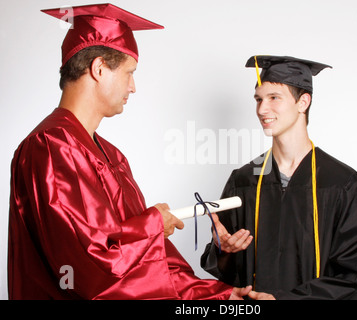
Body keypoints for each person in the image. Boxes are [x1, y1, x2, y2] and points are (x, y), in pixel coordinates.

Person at [8, 3, 259, 300]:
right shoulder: (50, 147)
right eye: (129, 72)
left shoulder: (112, 157)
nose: (133, 86)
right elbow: (89, 269)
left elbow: (153, 269)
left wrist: (221, 297)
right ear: (99, 69)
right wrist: (151, 226)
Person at [201, 55, 357, 300]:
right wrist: (225, 252)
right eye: (258, 99)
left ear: (303, 102)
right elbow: (225, 271)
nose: (262, 109)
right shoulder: (243, 181)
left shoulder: (344, 183)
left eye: (274, 98)